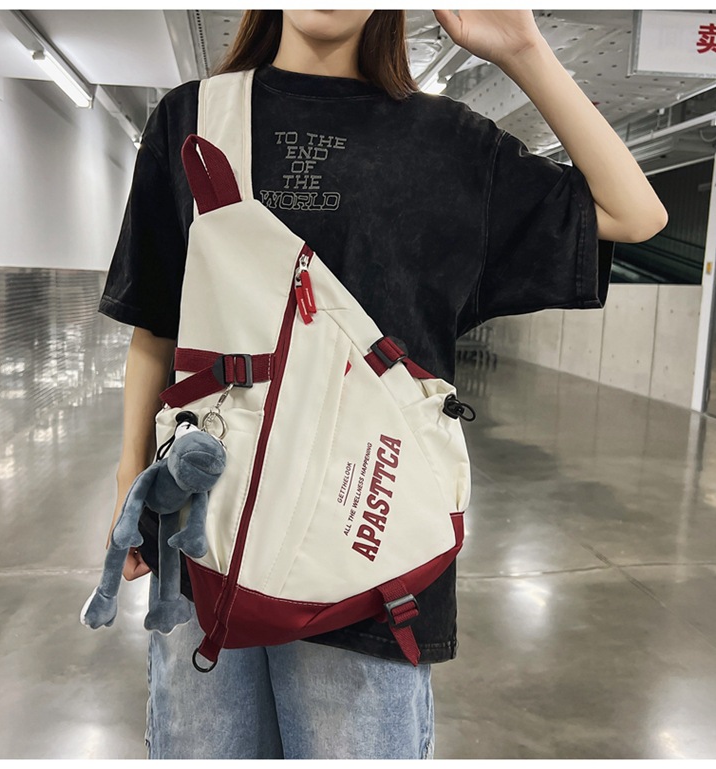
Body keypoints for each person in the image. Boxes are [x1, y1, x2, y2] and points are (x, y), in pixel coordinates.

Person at [98, 9, 667, 760]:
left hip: (369, 556)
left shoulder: (450, 142)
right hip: (205, 536)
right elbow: (155, 323)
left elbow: (635, 213)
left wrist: (523, 49)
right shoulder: (194, 118)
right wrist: (128, 481)